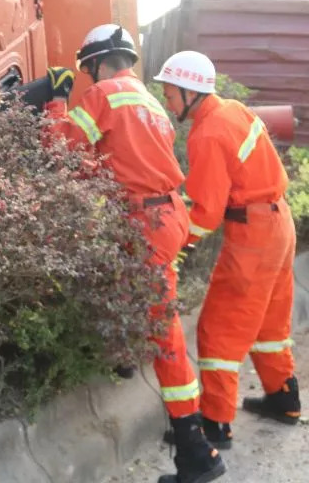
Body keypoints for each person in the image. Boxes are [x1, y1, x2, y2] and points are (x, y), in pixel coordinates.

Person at [30, 24, 225, 483]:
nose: (88, 78)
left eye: (86, 71)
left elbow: (62, 150)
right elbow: (113, 161)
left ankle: (197, 452)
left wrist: (56, 102)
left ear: (96, 64)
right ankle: (124, 354)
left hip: (146, 221)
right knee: (136, 299)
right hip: (165, 216)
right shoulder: (150, 100)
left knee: (165, 333)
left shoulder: (104, 94)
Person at [154, 50, 300, 450]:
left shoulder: (208, 133)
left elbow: (205, 213)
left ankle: (216, 424)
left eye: (169, 93)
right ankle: (284, 398)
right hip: (279, 221)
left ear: (189, 92)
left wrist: (171, 242)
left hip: (253, 234)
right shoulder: (232, 110)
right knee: (269, 321)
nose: (167, 102)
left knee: (219, 328)